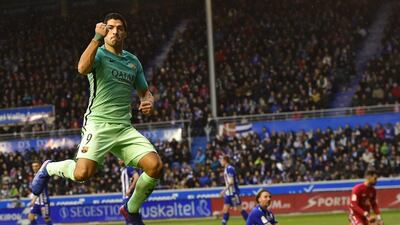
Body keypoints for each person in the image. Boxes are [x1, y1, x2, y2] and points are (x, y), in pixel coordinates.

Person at [31, 12, 163, 225]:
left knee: (155, 166)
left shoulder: (133, 61)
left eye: (119, 28)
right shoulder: (99, 54)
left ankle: (131, 210)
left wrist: (148, 101)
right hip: (98, 124)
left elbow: (144, 91)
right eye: (110, 27)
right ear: (105, 30)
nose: (114, 31)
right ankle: (48, 168)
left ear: (125, 33)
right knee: (82, 173)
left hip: (123, 128)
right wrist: (95, 38)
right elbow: (82, 68)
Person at [219, 155, 248, 225]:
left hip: (233, 193)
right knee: (225, 210)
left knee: (240, 209)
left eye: (221, 160)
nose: (220, 162)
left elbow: (231, 182)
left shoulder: (230, 169)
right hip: (228, 193)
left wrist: (223, 191)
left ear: (225, 161)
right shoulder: (226, 169)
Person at [29, 161, 52, 225]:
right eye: (33, 166)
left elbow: (39, 190)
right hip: (37, 202)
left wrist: (33, 200)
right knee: (30, 217)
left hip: (44, 201)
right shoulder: (34, 175)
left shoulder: (42, 175)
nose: (34, 168)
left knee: (46, 218)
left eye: (36, 166)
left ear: (40, 166)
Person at [120, 160, 140, 225]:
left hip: (129, 196)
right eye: (118, 160)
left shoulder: (129, 168)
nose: (119, 161)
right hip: (125, 196)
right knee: (130, 217)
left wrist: (130, 189)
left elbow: (136, 176)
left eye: (121, 159)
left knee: (131, 217)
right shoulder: (123, 170)